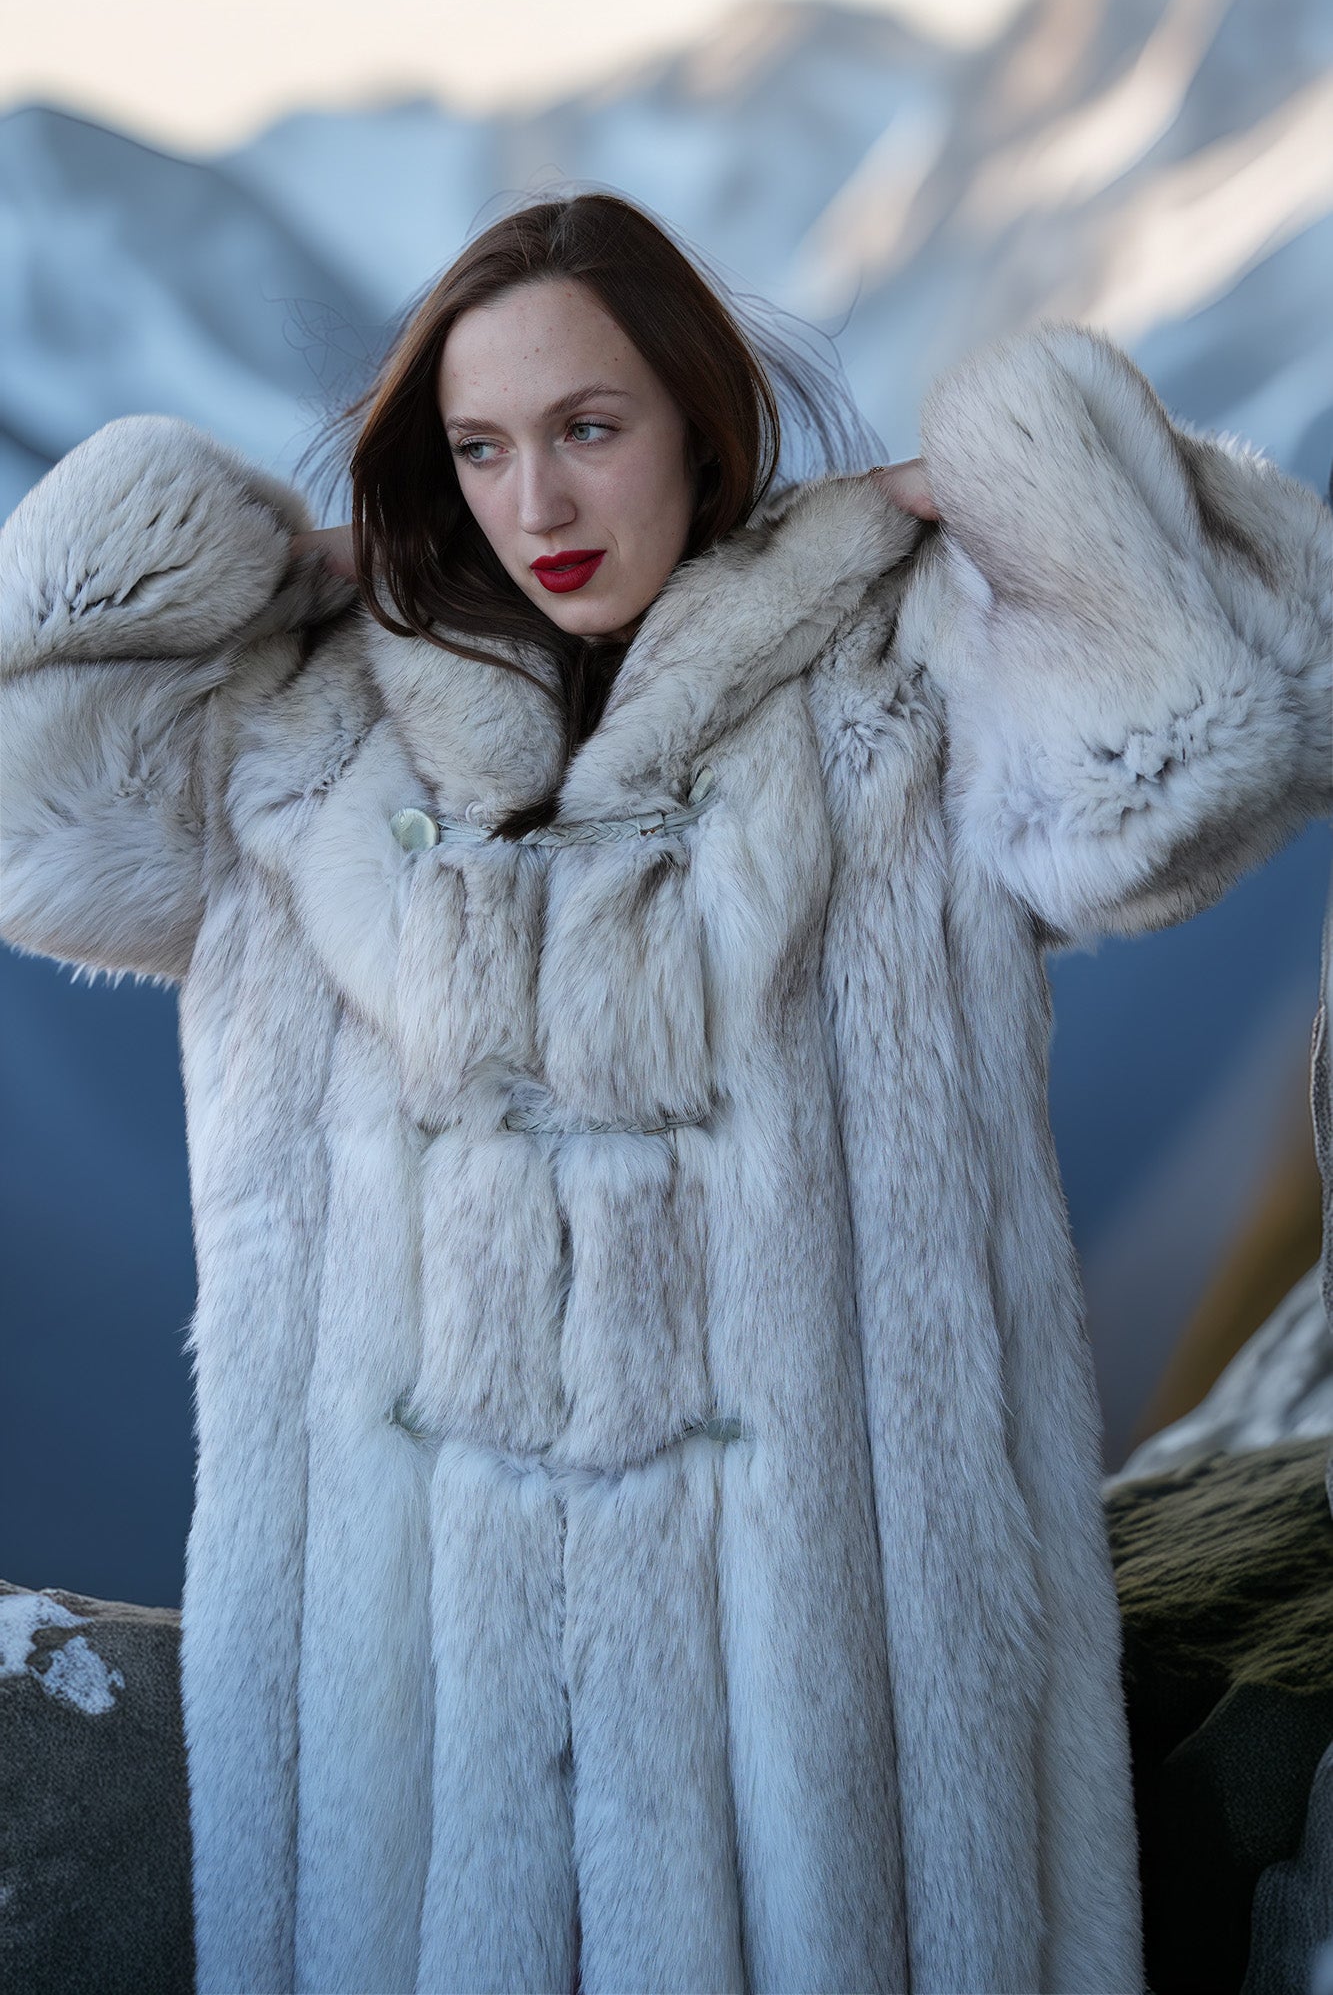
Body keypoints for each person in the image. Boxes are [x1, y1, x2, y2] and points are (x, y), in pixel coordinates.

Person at [0, 188, 1328, 1995]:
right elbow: (30, 817)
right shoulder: (298, 731)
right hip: (417, 1755)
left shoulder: (906, 684)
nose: (532, 506)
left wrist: (1035, 468)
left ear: (702, 425)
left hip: (839, 1743)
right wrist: (213, 557)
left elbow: (1214, 740)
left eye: (586, 431)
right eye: (475, 449)